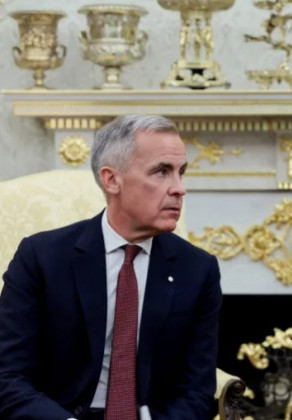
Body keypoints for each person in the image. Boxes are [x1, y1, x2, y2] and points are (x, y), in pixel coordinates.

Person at [0, 115, 222, 420]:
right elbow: (8, 376)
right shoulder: (42, 258)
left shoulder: (197, 269)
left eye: (180, 172)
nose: (179, 189)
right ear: (111, 180)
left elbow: (197, 391)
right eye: (162, 171)